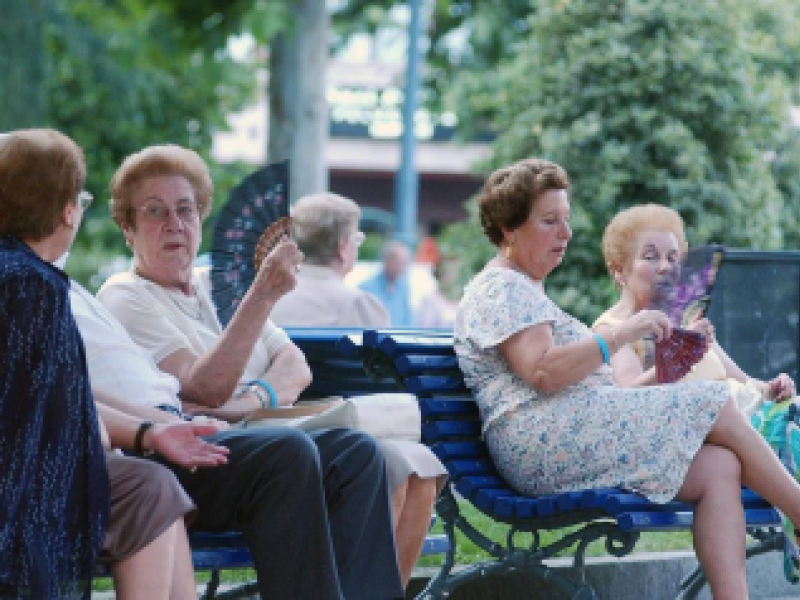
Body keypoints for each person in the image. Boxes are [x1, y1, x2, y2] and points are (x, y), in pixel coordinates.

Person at [453, 157, 800, 600]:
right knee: (712, 400)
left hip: (563, 432)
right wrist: (622, 335)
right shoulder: (503, 288)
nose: (566, 233)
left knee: (719, 466)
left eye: (566, 220)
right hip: (541, 440)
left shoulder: (521, 286)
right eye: (549, 221)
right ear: (508, 228)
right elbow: (541, 371)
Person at [94, 144, 404, 600]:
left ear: (201, 218)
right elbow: (203, 387)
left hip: (246, 435)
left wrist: (247, 402)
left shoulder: (212, 282)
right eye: (155, 211)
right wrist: (260, 298)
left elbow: (295, 367)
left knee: (356, 453)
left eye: (186, 209)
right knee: (289, 451)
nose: (174, 224)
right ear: (128, 227)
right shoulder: (125, 294)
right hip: (184, 451)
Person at [0, 129, 228, 600]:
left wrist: (149, 432)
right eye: (79, 199)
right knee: (148, 488)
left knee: (151, 486)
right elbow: (73, 423)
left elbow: (63, 391)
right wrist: (140, 435)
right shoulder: (36, 288)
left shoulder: (16, 273)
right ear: (67, 211)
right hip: (18, 492)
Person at [594, 202, 800, 581]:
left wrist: (772, 388)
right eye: (650, 256)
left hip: (749, 426)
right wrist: (673, 363)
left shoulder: (689, 323)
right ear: (619, 270)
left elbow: (744, 384)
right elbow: (622, 397)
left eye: (673, 258)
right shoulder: (616, 328)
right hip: (704, 441)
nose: (665, 267)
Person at [271, 192, 448, 585]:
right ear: (342, 247)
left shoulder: (270, 298)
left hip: (279, 430)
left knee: (409, 461)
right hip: (340, 438)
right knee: (414, 459)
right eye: (357, 240)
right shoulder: (362, 305)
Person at [360, 239, 416, 327]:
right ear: (386, 260)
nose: (402, 267)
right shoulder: (366, 288)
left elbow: (410, 320)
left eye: (405, 262)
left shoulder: (404, 286)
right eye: (398, 262)